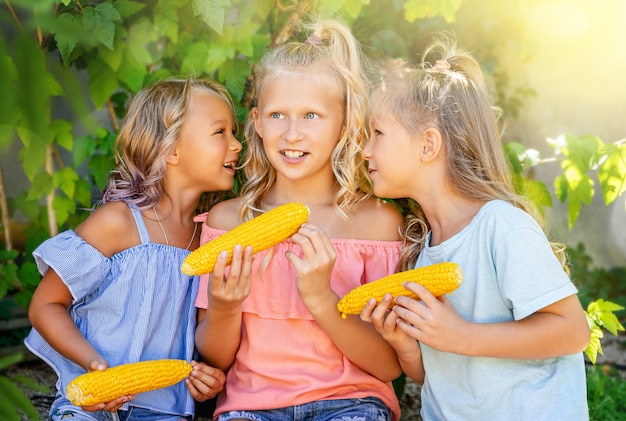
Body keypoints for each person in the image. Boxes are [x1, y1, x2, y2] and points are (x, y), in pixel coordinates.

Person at [360, 36, 591, 420]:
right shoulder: (422, 251)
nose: (365, 151)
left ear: (428, 144)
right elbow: (436, 374)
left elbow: (572, 331)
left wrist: (463, 335)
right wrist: (405, 345)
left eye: (378, 134)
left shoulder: (501, 226)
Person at [194, 18, 405, 421]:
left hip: (351, 403)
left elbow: (389, 366)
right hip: (250, 408)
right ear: (256, 121)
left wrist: (323, 300)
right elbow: (216, 359)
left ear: (344, 124)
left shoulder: (377, 224)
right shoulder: (228, 221)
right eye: (277, 115)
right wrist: (223, 305)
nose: (292, 133)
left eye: (311, 116)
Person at [25, 77, 243, 421]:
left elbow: (204, 336)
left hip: (166, 413)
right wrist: (94, 367)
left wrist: (208, 376)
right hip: (91, 408)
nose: (237, 145)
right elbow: (45, 305)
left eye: (235, 132)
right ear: (171, 149)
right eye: (221, 132)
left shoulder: (211, 239)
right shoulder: (119, 223)